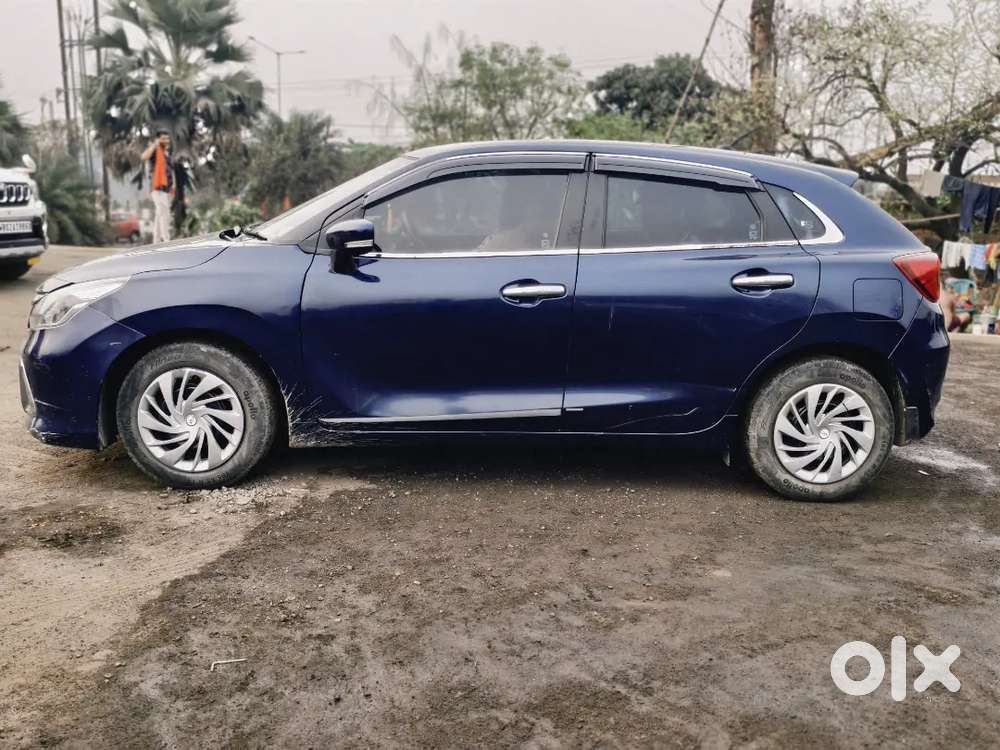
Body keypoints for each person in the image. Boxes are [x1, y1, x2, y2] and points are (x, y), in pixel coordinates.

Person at [141, 130, 173, 244]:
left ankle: (156, 240)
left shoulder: (166, 153)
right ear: (158, 139)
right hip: (156, 186)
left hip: (165, 188)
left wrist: (171, 188)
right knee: (164, 212)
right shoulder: (155, 150)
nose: (166, 141)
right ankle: (166, 238)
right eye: (163, 138)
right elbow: (144, 157)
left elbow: (169, 171)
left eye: (167, 138)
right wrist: (154, 145)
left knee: (160, 213)